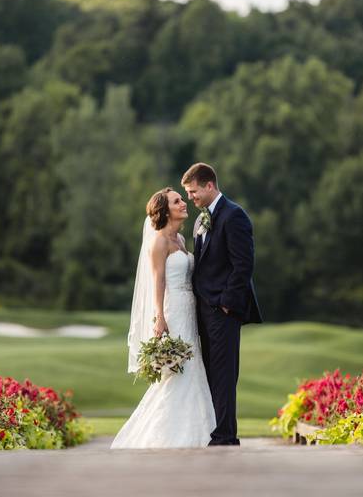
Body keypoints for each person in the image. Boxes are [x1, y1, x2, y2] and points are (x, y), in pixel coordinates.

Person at [111, 188, 215, 448]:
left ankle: (201, 431)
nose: (183, 203)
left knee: (193, 365)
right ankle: (165, 434)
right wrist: (159, 317)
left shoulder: (180, 238)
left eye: (182, 199)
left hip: (190, 308)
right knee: (179, 370)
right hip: (173, 310)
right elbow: (157, 282)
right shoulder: (158, 241)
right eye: (177, 201)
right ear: (165, 210)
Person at [183, 162, 262, 446]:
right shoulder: (200, 219)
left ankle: (226, 435)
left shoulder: (234, 215)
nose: (191, 197)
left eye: (193, 192)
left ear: (209, 185)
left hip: (223, 310)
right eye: (188, 193)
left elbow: (244, 265)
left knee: (224, 374)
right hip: (203, 310)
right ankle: (216, 430)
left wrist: (227, 304)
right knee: (209, 373)